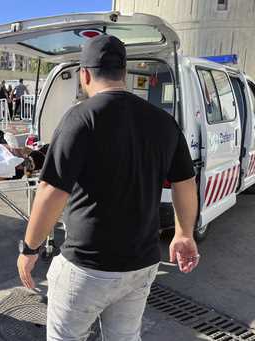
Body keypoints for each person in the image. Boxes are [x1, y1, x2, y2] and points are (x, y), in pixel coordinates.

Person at [16, 35, 200, 340]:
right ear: (123, 74)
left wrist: (30, 248)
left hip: (87, 267)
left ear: (84, 74)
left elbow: (51, 191)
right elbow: (185, 182)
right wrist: (183, 234)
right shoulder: (163, 122)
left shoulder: (81, 118)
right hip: (141, 266)